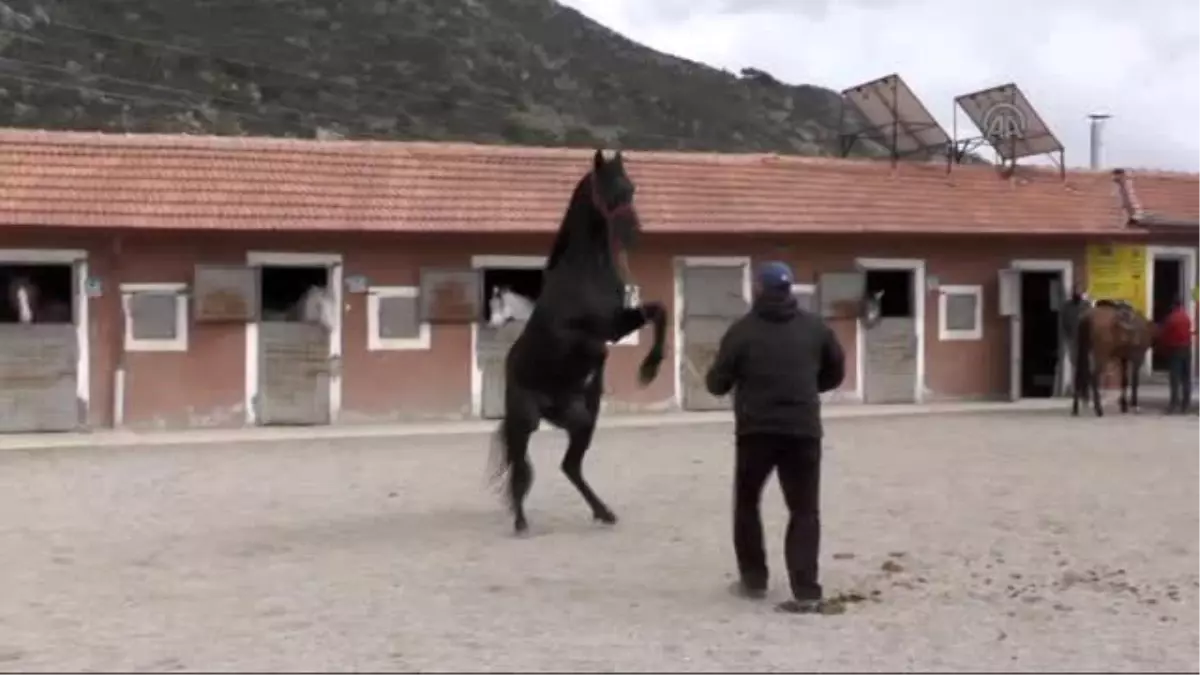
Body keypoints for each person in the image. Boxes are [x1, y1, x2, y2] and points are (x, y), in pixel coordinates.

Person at [704, 261, 846, 615]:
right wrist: (806, 388)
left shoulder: (741, 331)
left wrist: (718, 372)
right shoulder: (816, 329)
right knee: (804, 510)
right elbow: (835, 373)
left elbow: (716, 384)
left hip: (756, 432)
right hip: (803, 430)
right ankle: (806, 590)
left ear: (758, 289)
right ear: (789, 290)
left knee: (747, 503)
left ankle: (753, 580)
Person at [1157, 296, 1193, 414]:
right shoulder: (1186, 317)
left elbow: (1165, 336)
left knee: (1175, 379)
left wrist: (1163, 349)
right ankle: (1186, 405)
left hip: (1175, 350)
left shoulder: (1171, 318)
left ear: (1173, 306)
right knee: (1186, 378)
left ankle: (1173, 404)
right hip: (1186, 349)